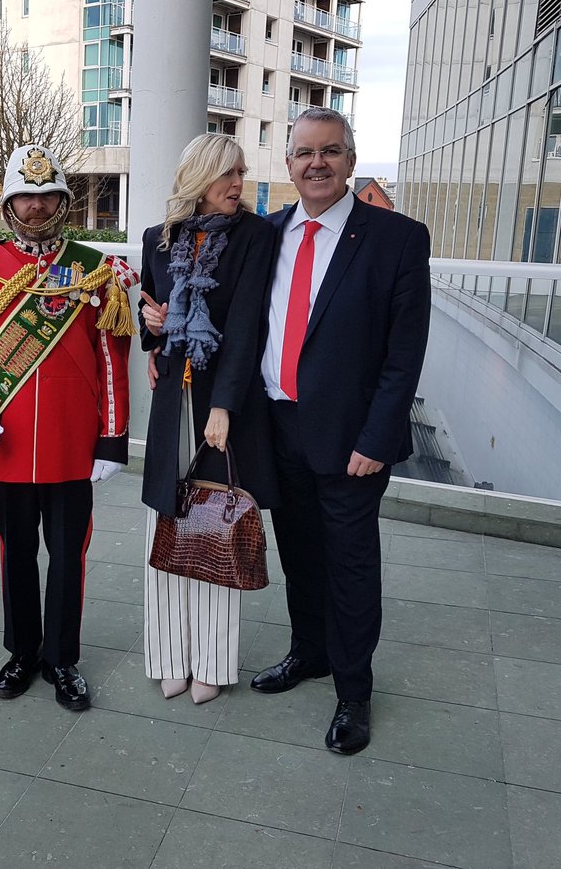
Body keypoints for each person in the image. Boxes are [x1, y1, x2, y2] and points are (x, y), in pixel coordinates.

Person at [250, 107, 431, 754]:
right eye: (304, 152)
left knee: (350, 567)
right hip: (277, 427)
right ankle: (309, 654)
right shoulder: (264, 235)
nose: (316, 163)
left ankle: (353, 691)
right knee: (298, 553)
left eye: (330, 151)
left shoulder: (396, 239)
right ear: (289, 163)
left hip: (352, 441)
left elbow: (403, 354)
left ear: (351, 161)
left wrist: (377, 440)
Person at [0, 143, 137, 711]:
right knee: (15, 553)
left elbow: (110, 362)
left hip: (75, 449)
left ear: (64, 202)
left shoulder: (94, 270)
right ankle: (23, 651)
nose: (38, 207)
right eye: (27, 196)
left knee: (69, 556)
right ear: (8, 203)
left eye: (49, 196)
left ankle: (62, 659)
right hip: (10, 445)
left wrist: (112, 438)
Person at [138, 133, 279, 705]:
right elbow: (151, 317)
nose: (237, 184)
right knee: (167, 527)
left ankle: (213, 664)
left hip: (222, 401)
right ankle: (169, 654)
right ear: (198, 177)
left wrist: (223, 406)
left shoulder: (254, 236)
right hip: (174, 396)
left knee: (214, 527)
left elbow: (245, 327)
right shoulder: (156, 238)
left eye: (241, 173)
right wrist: (153, 328)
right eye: (227, 174)